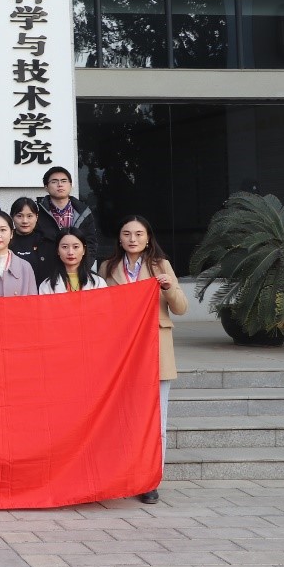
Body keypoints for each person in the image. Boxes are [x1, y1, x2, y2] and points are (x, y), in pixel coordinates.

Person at [99, 216, 188, 505]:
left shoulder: (161, 265)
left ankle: (151, 480)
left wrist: (168, 288)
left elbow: (181, 308)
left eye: (139, 234)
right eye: (127, 234)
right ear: (119, 238)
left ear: (148, 238)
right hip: (123, 352)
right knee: (125, 417)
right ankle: (124, 474)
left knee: (156, 420)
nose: (133, 239)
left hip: (156, 348)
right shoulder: (107, 268)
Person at [36, 166, 100, 254]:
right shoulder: (37, 212)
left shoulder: (84, 212)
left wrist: (86, 262)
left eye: (64, 181)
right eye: (54, 181)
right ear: (46, 187)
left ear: (70, 185)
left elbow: (91, 243)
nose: (60, 184)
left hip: (77, 262)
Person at [38, 230, 107, 294]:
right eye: (65, 247)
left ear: (84, 250)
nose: (70, 252)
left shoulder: (98, 283)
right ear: (58, 251)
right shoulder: (47, 285)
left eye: (75, 247)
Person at [9, 197, 51, 284]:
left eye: (29, 216)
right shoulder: (6, 241)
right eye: (19, 216)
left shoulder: (45, 241)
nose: (25, 221)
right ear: (12, 217)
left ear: (36, 217)